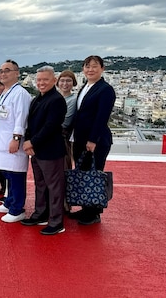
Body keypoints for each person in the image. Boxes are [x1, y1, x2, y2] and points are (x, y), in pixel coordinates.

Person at [21, 66, 68, 235]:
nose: (41, 83)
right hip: (37, 150)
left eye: (45, 80)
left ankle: (56, 221)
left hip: (51, 151)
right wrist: (29, 141)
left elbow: (51, 126)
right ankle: (40, 213)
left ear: (54, 80)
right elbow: (30, 124)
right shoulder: (37, 99)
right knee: (40, 184)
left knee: (54, 187)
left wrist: (31, 142)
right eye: (39, 80)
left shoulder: (56, 100)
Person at [71, 55, 116, 225]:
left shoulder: (105, 89)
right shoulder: (86, 86)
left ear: (102, 69)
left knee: (94, 175)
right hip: (81, 139)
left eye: (94, 66)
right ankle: (85, 209)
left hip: (95, 140)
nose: (90, 69)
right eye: (87, 66)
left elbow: (101, 117)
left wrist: (92, 140)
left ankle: (94, 213)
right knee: (84, 175)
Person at [0, 59, 32, 223]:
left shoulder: (20, 93)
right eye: (1, 71)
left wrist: (16, 138)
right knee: (9, 173)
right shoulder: (6, 92)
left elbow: (21, 118)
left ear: (16, 73)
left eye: (7, 70)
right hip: (2, 142)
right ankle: (9, 202)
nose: (3, 73)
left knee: (16, 175)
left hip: (13, 142)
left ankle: (17, 209)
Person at [57, 70, 77, 169]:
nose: (65, 84)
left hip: (63, 138)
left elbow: (65, 122)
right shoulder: (55, 98)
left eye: (68, 81)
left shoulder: (73, 100)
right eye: (62, 80)